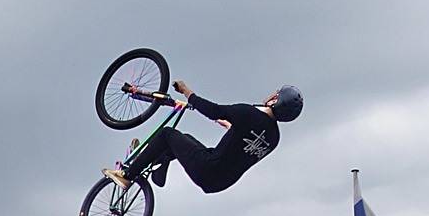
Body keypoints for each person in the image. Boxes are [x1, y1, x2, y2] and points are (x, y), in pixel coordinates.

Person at [102, 81, 303, 196]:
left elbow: (214, 110)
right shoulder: (274, 139)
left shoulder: (249, 114)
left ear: (275, 100)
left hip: (207, 168)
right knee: (185, 140)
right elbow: (245, 142)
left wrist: (187, 92)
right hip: (220, 183)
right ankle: (159, 165)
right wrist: (230, 126)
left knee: (167, 134)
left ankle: (127, 175)